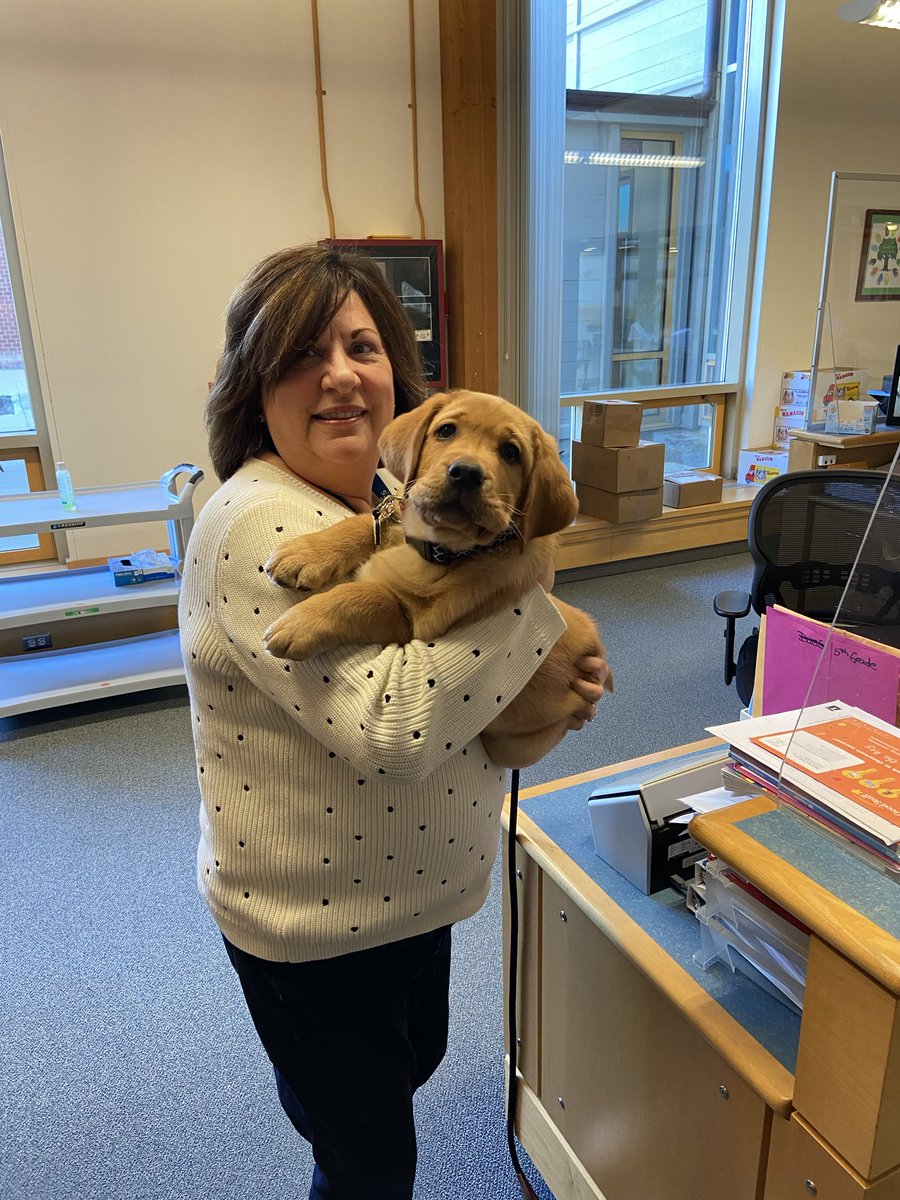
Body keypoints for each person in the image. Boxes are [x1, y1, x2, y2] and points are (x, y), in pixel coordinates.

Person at [179, 243, 608, 1200]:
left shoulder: (377, 499)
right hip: (316, 926)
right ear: (253, 385)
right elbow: (399, 725)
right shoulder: (259, 524)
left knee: (402, 1073)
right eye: (302, 354)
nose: (339, 375)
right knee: (368, 1163)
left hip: (409, 896)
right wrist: (541, 613)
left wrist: (547, 688)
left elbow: (450, 630)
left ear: (395, 379)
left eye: (363, 347)